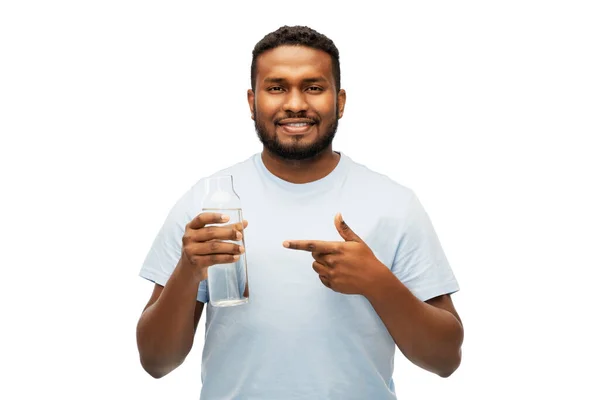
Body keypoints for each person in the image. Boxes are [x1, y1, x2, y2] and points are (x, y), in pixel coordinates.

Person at [136, 25, 464, 399]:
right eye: (276, 87)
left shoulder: (393, 203)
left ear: (339, 101)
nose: (295, 103)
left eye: (313, 87)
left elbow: (445, 360)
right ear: (251, 101)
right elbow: (155, 362)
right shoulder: (208, 203)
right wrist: (187, 271)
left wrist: (377, 282)